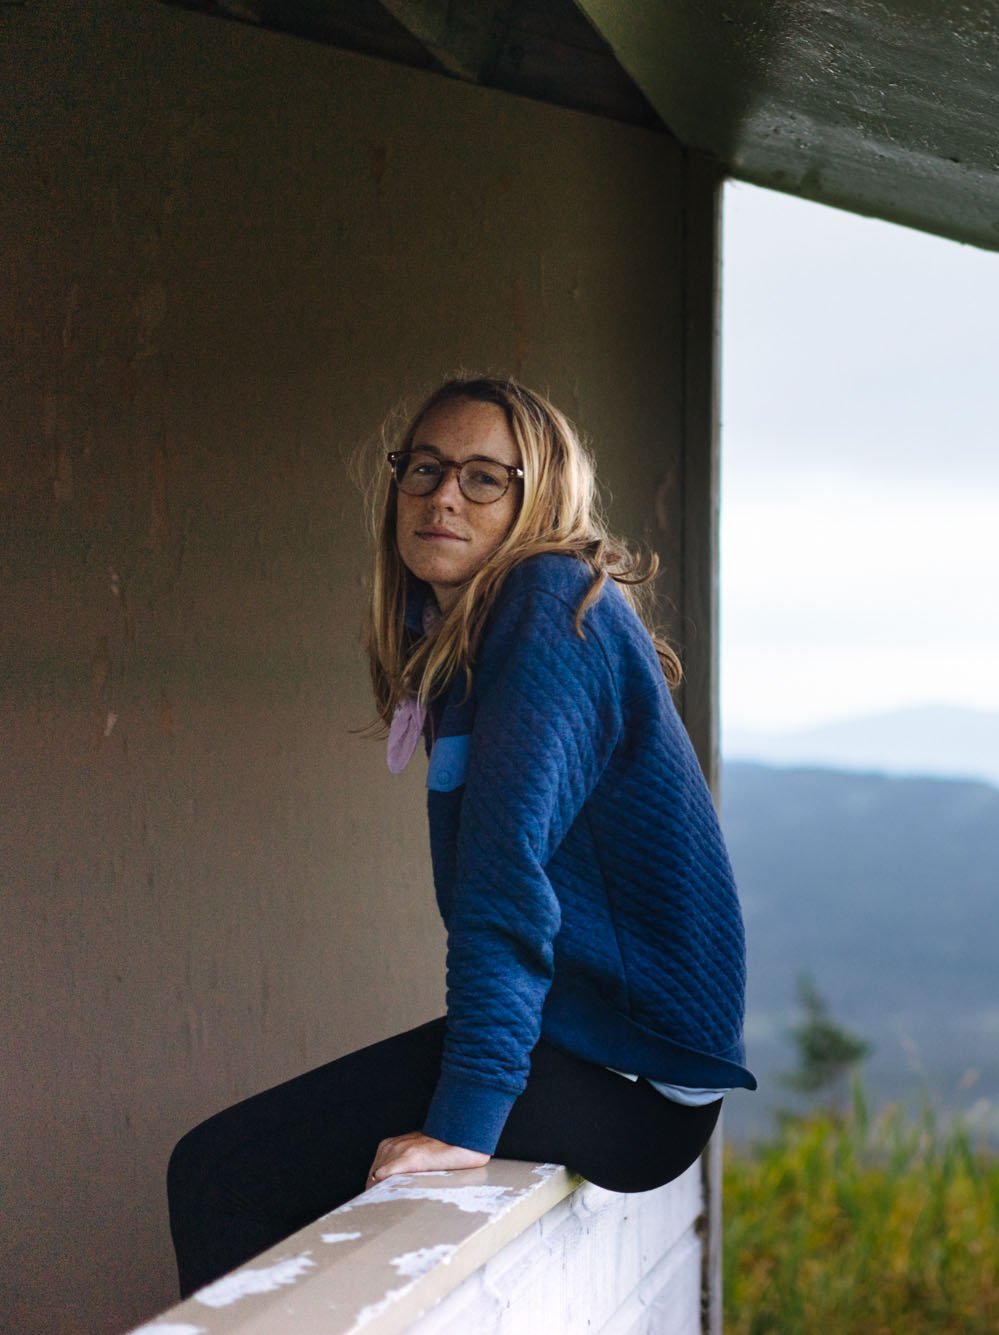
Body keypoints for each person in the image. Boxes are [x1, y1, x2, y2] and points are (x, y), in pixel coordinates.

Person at [166, 377, 753, 1298]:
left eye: (485, 478)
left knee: (220, 1173)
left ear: (538, 499)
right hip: (608, 1058)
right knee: (253, 1172)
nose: (442, 495)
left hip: (628, 1082)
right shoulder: (484, 630)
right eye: (425, 468)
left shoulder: (548, 602)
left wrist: (470, 1117)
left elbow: (503, 883)